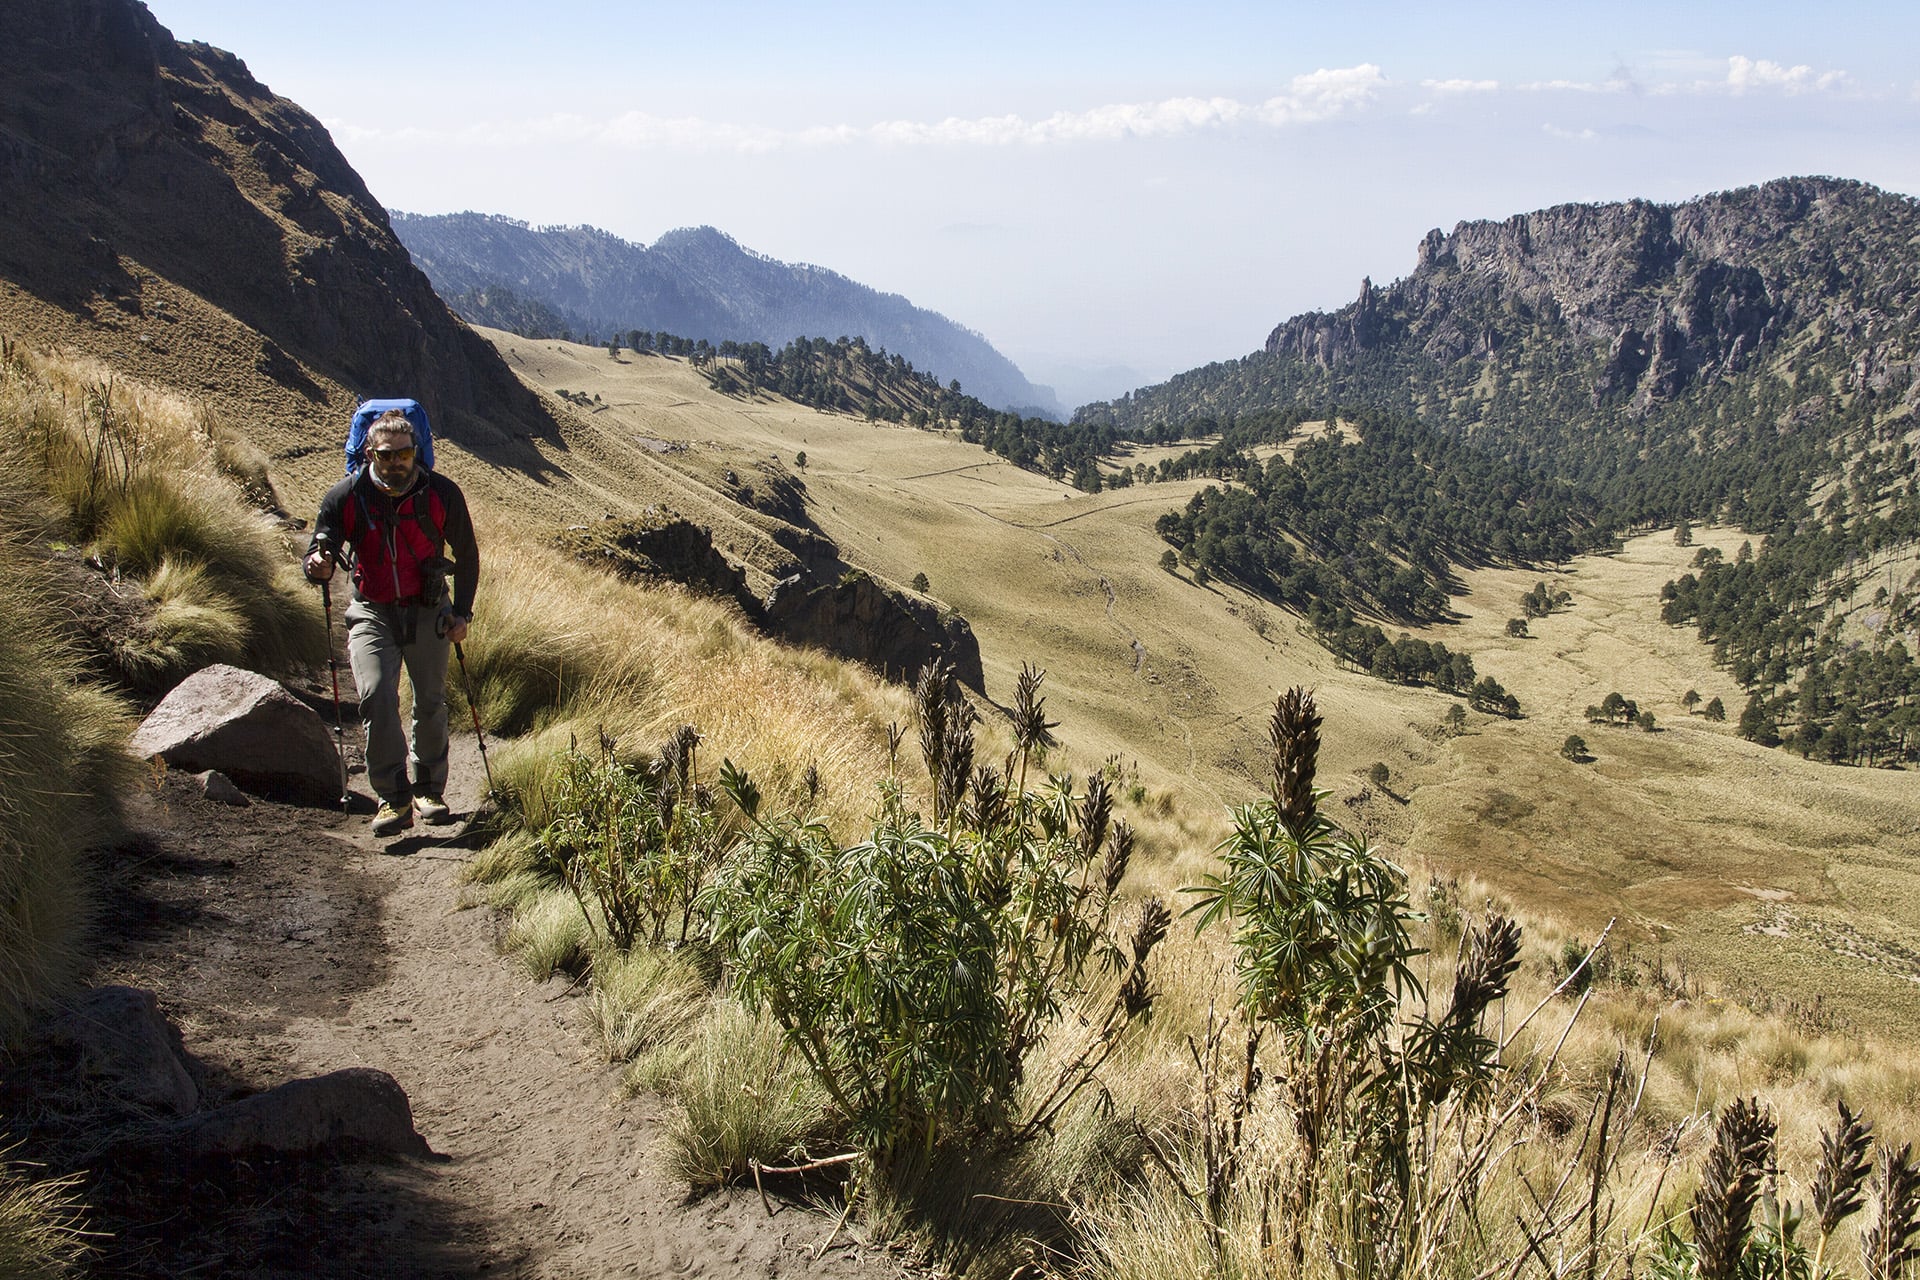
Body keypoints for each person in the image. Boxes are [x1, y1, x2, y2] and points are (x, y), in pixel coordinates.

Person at [304, 409, 479, 836]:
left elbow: (469, 555)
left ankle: (428, 790)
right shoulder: (346, 496)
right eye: (387, 455)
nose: (397, 462)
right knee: (376, 696)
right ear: (369, 453)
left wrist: (462, 612)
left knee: (431, 702)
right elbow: (319, 548)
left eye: (405, 454)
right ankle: (393, 797)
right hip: (371, 610)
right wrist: (317, 565)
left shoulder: (441, 494)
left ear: (416, 452)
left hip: (428, 608)